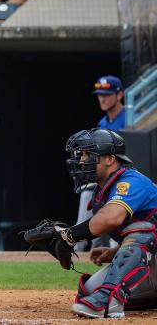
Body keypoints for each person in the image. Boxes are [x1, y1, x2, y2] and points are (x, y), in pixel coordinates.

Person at [57, 129, 157, 318]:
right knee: (88, 290)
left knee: (142, 230)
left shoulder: (130, 181)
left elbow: (112, 218)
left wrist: (69, 235)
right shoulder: (101, 193)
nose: (82, 160)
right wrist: (116, 252)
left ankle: (107, 299)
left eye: (89, 154)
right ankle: (106, 297)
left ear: (110, 159)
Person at [74, 75, 126, 252]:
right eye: (100, 94)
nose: (102, 98)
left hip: (123, 176)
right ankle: (78, 247)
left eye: (107, 94)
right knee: (87, 191)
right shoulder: (103, 123)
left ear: (119, 95)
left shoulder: (129, 117)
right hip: (106, 176)